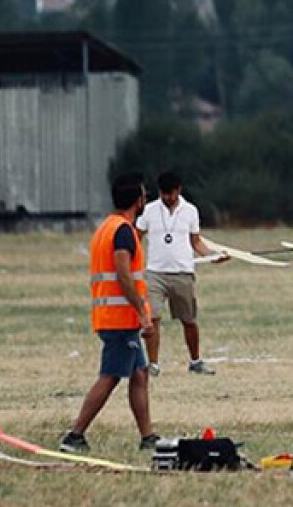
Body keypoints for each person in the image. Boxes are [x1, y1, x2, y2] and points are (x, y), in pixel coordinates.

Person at [60, 173, 159, 453]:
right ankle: (75, 435)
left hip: (114, 316)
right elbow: (123, 274)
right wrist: (142, 313)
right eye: (144, 196)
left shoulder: (108, 226)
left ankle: (148, 437)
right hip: (121, 319)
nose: (145, 201)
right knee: (111, 375)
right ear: (137, 201)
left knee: (139, 373)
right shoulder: (123, 231)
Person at [136, 171, 227, 376]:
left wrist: (213, 256)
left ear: (179, 190)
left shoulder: (190, 211)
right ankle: (153, 365)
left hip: (182, 274)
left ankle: (195, 361)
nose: (168, 198)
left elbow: (196, 242)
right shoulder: (149, 211)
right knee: (153, 318)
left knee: (189, 320)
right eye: (164, 194)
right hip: (155, 274)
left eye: (172, 194)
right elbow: (137, 237)